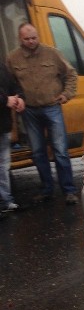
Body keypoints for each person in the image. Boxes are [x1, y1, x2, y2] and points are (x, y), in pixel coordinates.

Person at [7, 23, 79, 204]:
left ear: (37, 36)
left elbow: (71, 74)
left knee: (60, 150)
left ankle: (69, 190)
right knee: (38, 152)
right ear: (20, 39)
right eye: (27, 39)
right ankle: (47, 190)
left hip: (52, 106)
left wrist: (66, 94)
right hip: (29, 111)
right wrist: (16, 98)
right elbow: (10, 83)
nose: (31, 41)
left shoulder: (52, 53)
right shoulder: (13, 59)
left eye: (34, 37)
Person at [0, 62, 25, 212]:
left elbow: (13, 85)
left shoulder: (2, 67)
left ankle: (5, 201)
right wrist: (5, 100)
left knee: (3, 166)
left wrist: (20, 97)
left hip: (4, 124)